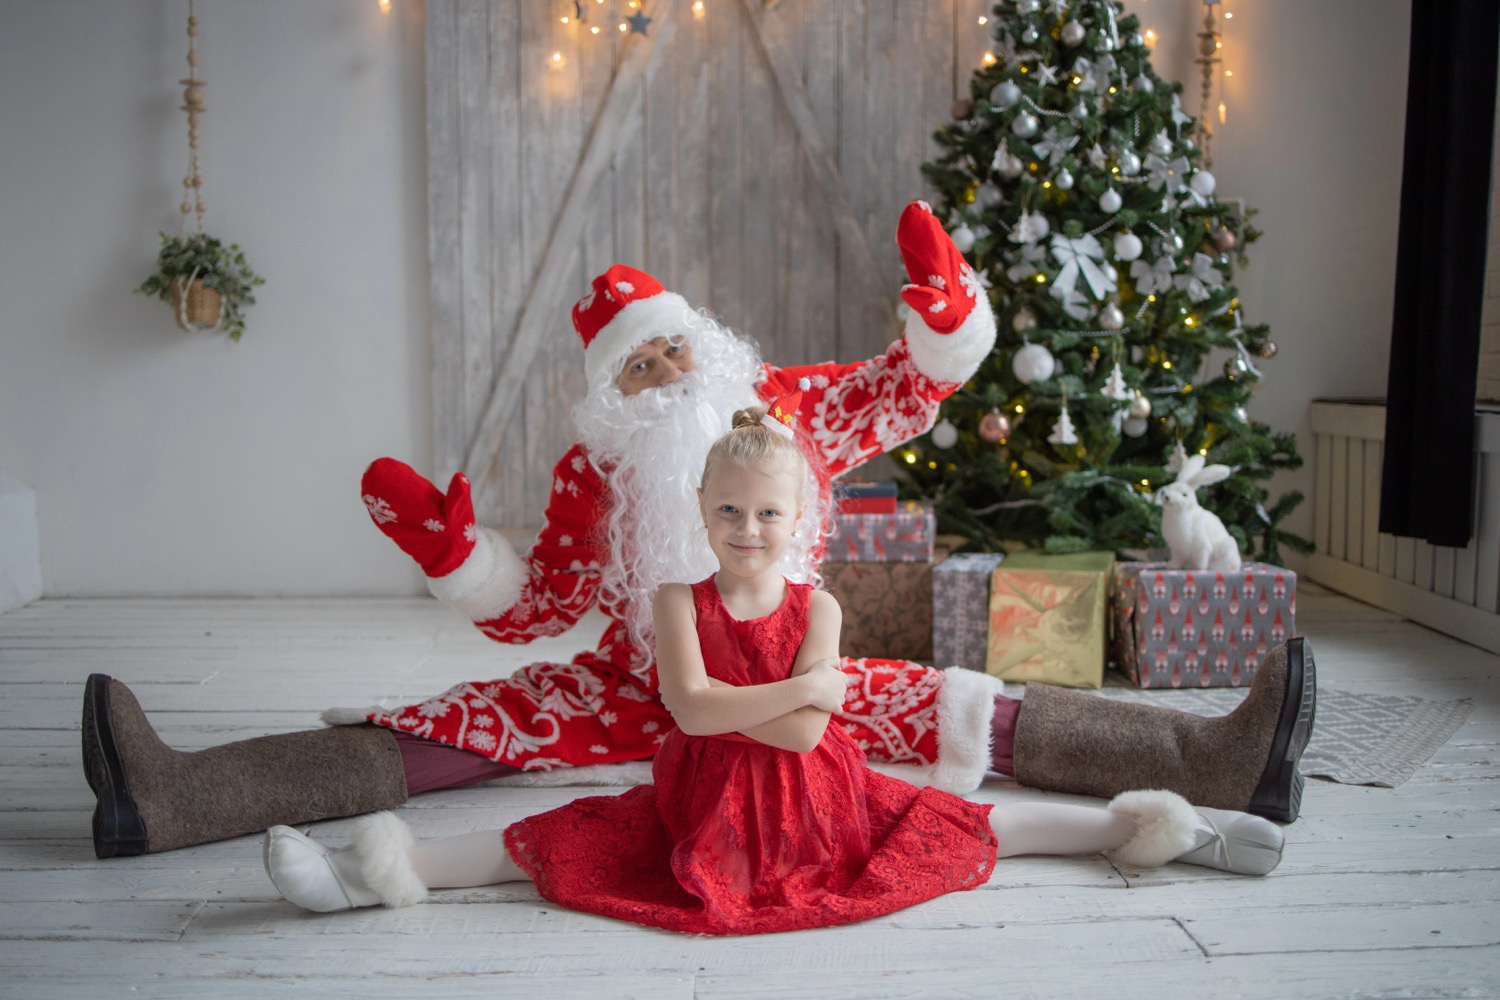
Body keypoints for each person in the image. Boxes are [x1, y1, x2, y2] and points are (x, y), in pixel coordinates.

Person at [81, 201, 1314, 860]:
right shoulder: (592, 471)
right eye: (638, 363)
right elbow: (540, 608)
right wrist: (456, 558)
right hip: (630, 680)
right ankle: (178, 796)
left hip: (789, 677)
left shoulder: (777, 412)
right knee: (456, 721)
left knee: (955, 702)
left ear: (705, 340)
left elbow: (900, 389)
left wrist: (944, 316)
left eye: (672, 342)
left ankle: (1214, 763)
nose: (663, 366)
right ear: (610, 393)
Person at [261, 402, 1286, 933]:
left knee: (983, 826)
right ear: (702, 511)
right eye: (728, 510)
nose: (747, 528)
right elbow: (691, 715)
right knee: (555, 837)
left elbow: (796, 735)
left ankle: (1167, 826)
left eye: (768, 513)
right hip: (700, 800)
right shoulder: (676, 601)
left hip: (816, 801)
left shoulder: (820, 604)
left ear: (797, 523)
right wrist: (798, 686)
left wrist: (768, 700)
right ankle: (363, 876)